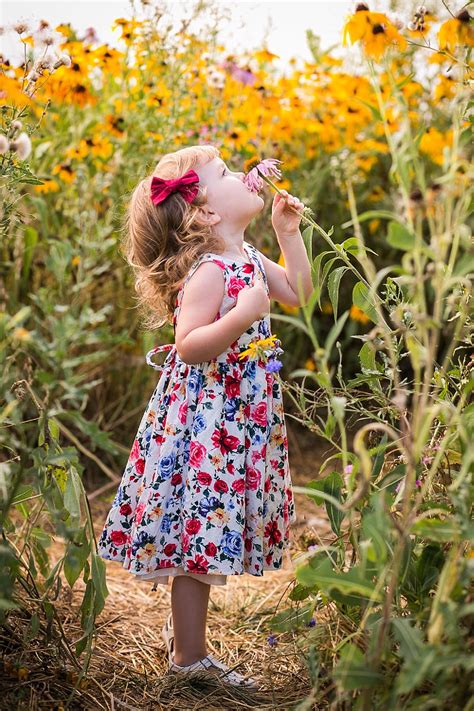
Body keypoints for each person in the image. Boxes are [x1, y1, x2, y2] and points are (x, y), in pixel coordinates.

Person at [97, 144, 312, 688]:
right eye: (224, 172)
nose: (244, 173)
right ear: (207, 212)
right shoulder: (211, 272)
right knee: (198, 537)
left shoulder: (245, 254)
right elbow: (189, 346)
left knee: (209, 534)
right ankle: (189, 660)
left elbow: (297, 293)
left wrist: (289, 234)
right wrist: (241, 315)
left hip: (239, 417)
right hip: (207, 424)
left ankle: (186, 644)